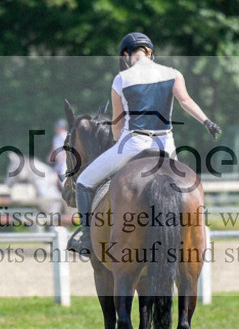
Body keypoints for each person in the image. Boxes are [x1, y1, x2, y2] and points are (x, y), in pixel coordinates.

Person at [67, 32, 221, 254]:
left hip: (133, 145)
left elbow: (118, 126)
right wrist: (207, 121)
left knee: (84, 181)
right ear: (149, 52)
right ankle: (193, 237)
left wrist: (118, 144)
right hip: (166, 147)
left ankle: (86, 238)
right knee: (183, 186)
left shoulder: (121, 79)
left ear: (127, 55)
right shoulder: (173, 74)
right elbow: (186, 101)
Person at [49, 119, 68, 185]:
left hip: (66, 160)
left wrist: (62, 158)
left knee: (62, 177)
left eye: (58, 127)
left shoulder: (65, 136)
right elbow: (54, 149)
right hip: (59, 161)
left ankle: (66, 192)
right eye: (56, 127)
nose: (56, 129)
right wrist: (50, 157)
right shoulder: (56, 137)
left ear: (63, 128)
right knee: (52, 176)